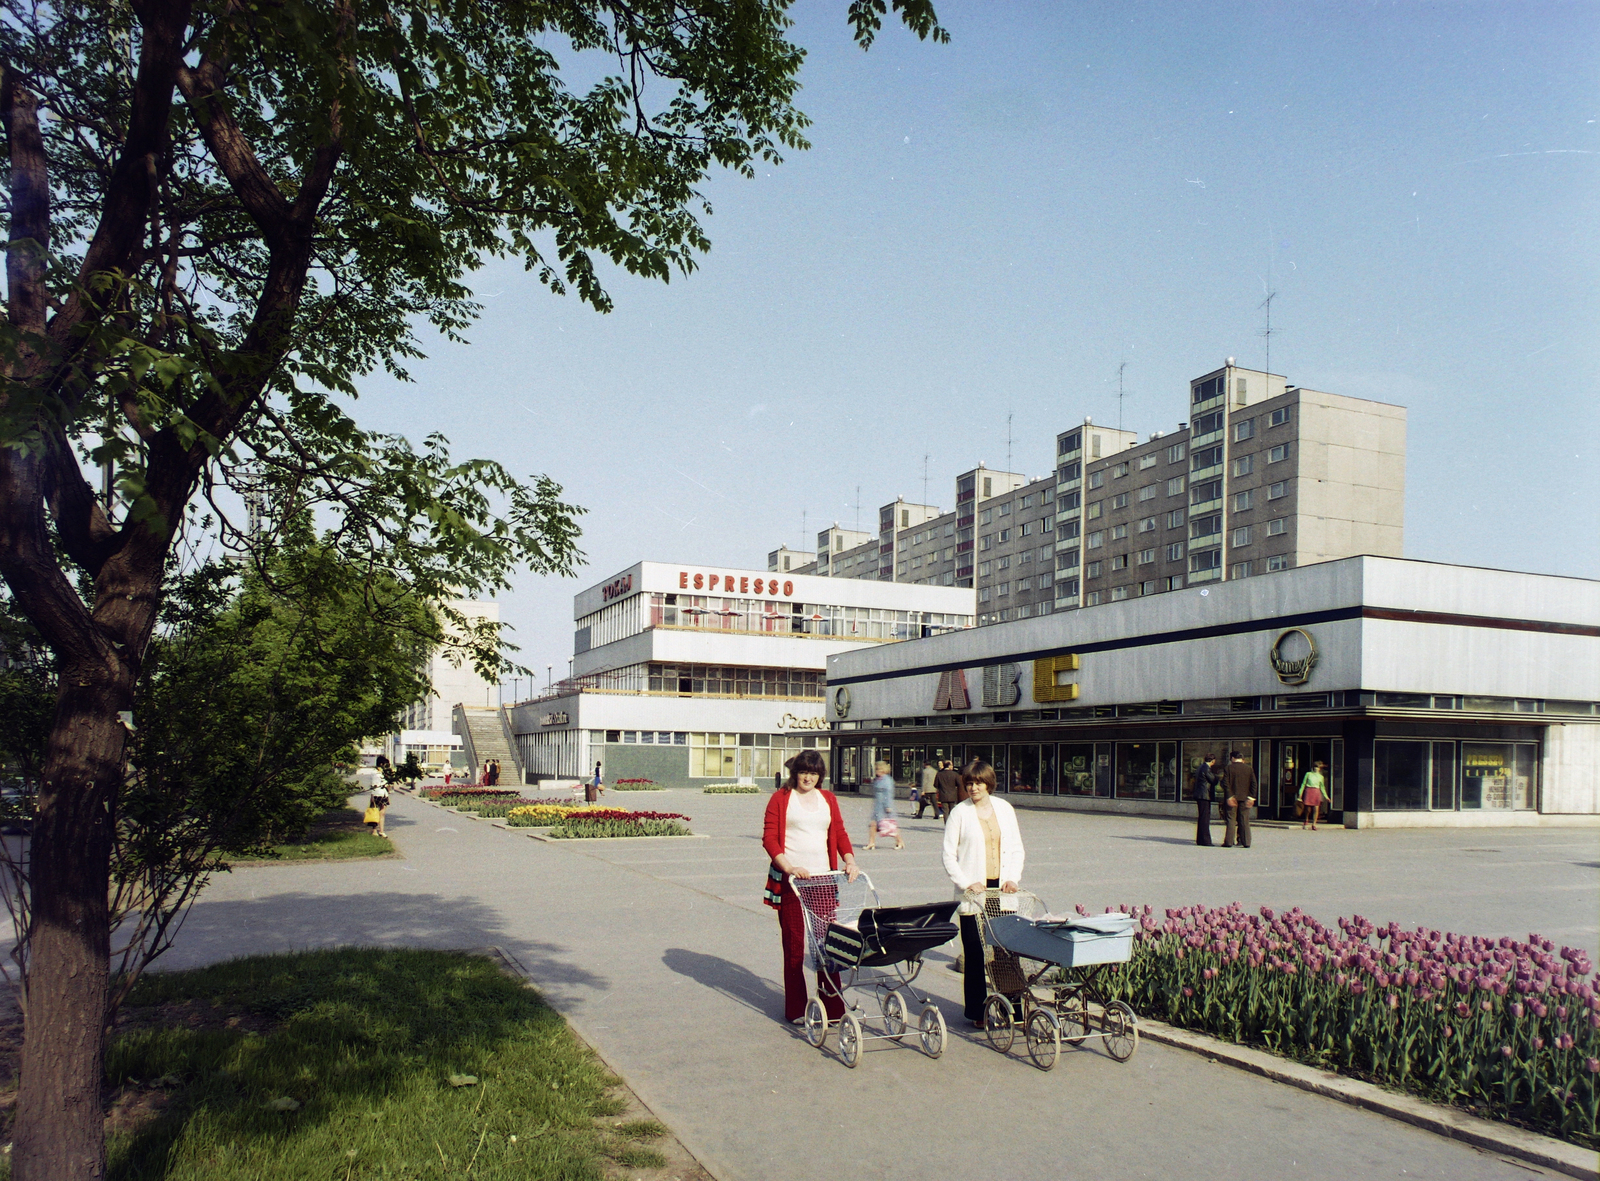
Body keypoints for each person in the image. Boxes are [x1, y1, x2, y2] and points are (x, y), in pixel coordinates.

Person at [761, 749, 859, 1025]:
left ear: (820, 776)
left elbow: (838, 832)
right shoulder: (781, 798)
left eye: (814, 773)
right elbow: (769, 838)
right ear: (796, 773)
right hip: (793, 880)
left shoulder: (827, 798)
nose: (808, 777)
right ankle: (796, 1009)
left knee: (827, 944)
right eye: (804, 772)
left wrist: (849, 860)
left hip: (823, 879)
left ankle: (833, 1008)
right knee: (794, 944)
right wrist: (789, 867)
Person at [942, 760, 1025, 1027]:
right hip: (973, 896)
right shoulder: (959, 813)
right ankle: (977, 1013)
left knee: (1006, 952)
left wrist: (1013, 878)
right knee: (976, 953)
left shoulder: (1004, 809)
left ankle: (1012, 1010)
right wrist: (966, 883)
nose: (973, 787)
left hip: (1002, 892)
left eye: (978, 783)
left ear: (989, 784)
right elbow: (948, 856)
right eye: (969, 783)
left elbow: (1016, 849)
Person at [1221, 751, 1257, 849]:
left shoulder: (1228, 768)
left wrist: (1229, 796)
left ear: (1232, 758)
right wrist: (1251, 797)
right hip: (1245, 798)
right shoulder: (1249, 769)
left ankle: (1228, 841)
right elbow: (1254, 784)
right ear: (1242, 758)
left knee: (1231, 820)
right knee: (1244, 820)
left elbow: (1225, 783)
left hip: (1232, 798)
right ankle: (1246, 842)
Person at [865, 761, 903, 850]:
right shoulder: (878, 779)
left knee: (890, 826)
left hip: (884, 806)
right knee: (873, 824)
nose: (876, 771)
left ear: (883, 770)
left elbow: (888, 794)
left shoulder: (887, 780)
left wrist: (888, 806)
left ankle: (899, 841)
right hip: (878, 806)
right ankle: (871, 843)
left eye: (878, 769)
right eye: (876, 769)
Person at [1191, 754, 1219, 846]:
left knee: (1202, 817)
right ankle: (1205, 840)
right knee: (1205, 818)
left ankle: (1200, 839)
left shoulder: (1200, 767)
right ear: (1212, 761)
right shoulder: (1206, 768)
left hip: (1200, 795)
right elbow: (1213, 780)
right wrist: (1217, 777)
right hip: (1204, 795)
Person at [1298, 760, 1328, 831]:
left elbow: (1322, 787)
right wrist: (1300, 793)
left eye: (1317, 767)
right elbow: (1303, 784)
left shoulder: (1321, 777)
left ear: (1319, 768)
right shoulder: (1308, 774)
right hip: (1309, 790)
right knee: (1307, 808)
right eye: (1314, 767)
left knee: (1316, 808)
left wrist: (1326, 796)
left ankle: (1314, 823)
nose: (1315, 768)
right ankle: (1306, 820)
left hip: (1316, 791)